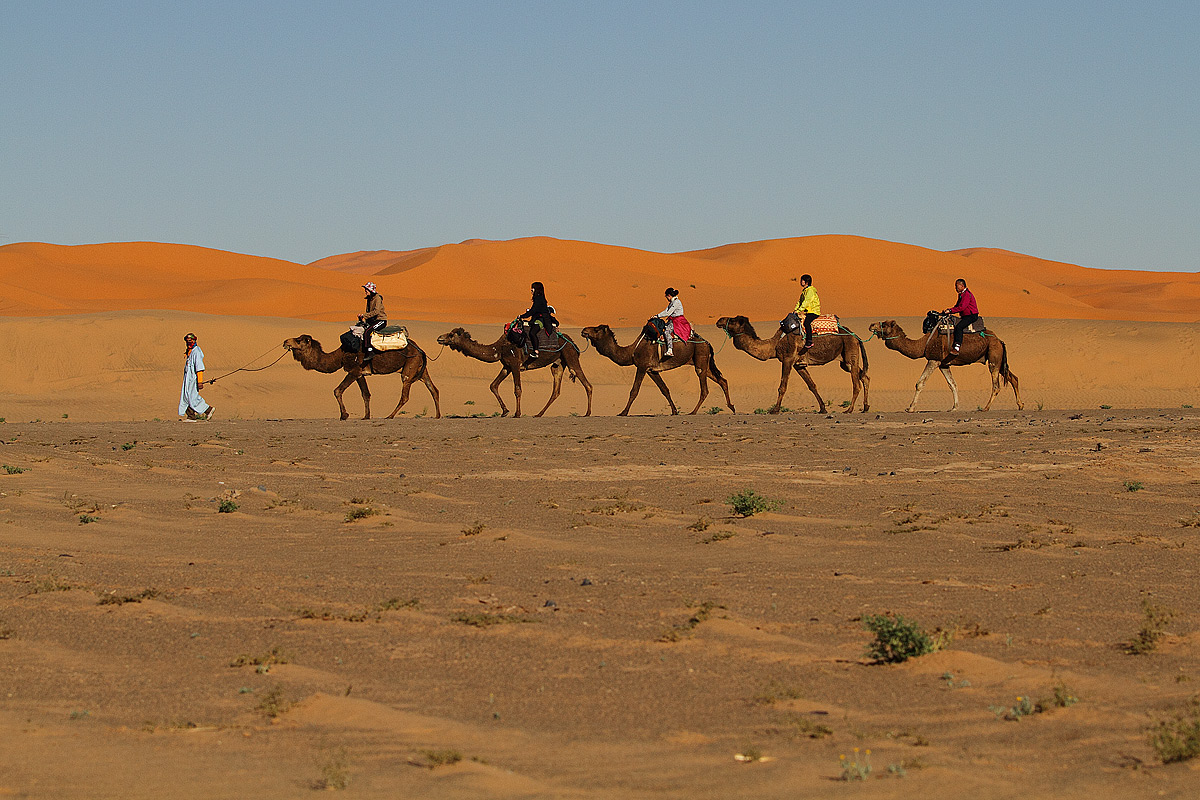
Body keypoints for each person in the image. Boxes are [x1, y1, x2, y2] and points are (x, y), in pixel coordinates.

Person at [178, 332, 213, 421]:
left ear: (194, 340)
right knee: (186, 397)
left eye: (190, 341)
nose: (188, 343)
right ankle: (191, 416)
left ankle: (208, 410)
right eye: (187, 341)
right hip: (188, 379)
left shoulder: (196, 352)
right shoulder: (190, 352)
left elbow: (199, 368)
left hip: (193, 379)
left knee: (193, 397)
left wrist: (200, 381)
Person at [518, 281, 557, 358]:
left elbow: (533, 310)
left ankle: (536, 351)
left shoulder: (538, 299)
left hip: (542, 319)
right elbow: (534, 310)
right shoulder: (538, 298)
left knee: (532, 332)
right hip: (538, 318)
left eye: (533, 288)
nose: (531, 290)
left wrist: (522, 316)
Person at [942, 278, 979, 354]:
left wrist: (951, 311)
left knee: (959, 327)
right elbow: (957, 306)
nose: (955, 288)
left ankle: (957, 347)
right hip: (965, 316)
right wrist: (949, 310)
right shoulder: (961, 295)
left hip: (971, 316)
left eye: (957, 286)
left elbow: (962, 307)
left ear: (962, 286)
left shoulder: (966, 295)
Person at [654, 287, 692, 357]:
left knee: (667, 332)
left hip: (678, 321)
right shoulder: (672, 302)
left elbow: (668, 313)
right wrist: (656, 316)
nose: (666, 298)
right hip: (672, 320)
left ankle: (670, 350)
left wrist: (658, 316)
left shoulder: (676, 302)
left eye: (666, 297)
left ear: (669, 295)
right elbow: (666, 311)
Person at [358, 282, 387, 359]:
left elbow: (376, 311)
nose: (365, 291)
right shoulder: (369, 299)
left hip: (381, 320)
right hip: (373, 321)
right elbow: (368, 312)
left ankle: (370, 351)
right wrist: (362, 318)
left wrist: (365, 316)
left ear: (370, 290)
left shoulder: (377, 298)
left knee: (367, 332)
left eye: (366, 290)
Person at [793, 274, 820, 351]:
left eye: (802, 280)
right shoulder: (804, 291)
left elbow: (806, 302)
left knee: (806, 323)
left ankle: (809, 341)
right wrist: (795, 310)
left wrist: (799, 310)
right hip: (807, 311)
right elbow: (800, 302)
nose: (801, 282)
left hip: (813, 311)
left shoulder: (810, 291)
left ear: (806, 282)